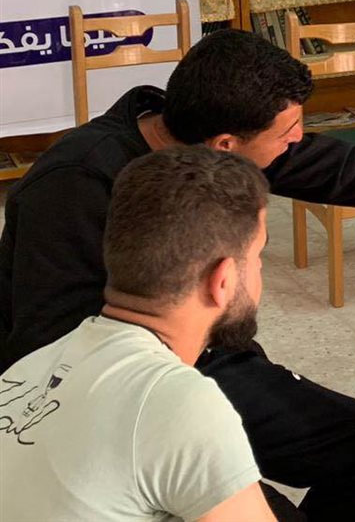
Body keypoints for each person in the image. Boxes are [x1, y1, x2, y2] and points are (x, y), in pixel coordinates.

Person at [0, 29, 355, 521]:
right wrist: (193, 458)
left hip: (203, 356)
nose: (298, 141)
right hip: (111, 391)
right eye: (288, 132)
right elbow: (46, 347)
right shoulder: (73, 185)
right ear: (226, 147)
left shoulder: (211, 134)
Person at [0, 148, 276, 521]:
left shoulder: (31, 367)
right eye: (257, 258)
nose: (259, 272)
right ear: (223, 281)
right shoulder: (180, 404)